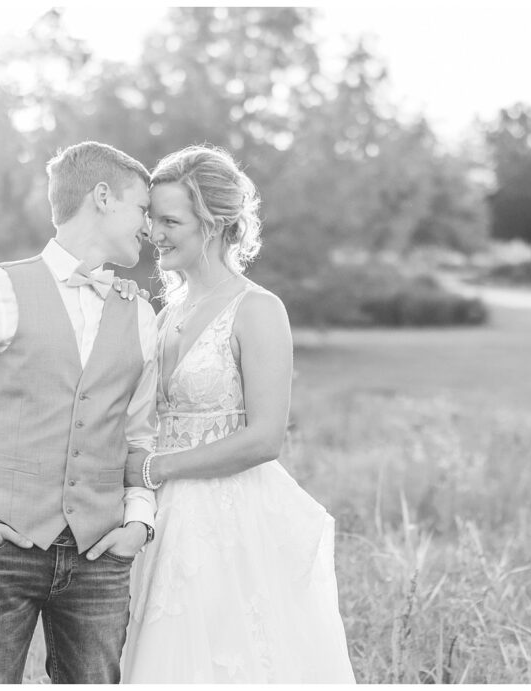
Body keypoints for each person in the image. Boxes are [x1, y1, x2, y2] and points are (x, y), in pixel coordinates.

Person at [0, 141, 160, 684]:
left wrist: (139, 520)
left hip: (101, 556)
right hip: (0, 549)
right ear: (102, 196)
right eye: (142, 207)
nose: (150, 224)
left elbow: (141, 436)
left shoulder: (140, 314)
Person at [120, 145, 356, 683]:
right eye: (151, 218)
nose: (153, 232)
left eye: (169, 220)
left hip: (229, 518)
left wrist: (157, 469)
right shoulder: (164, 313)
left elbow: (265, 437)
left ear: (214, 224)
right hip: (156, 516)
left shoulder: (258, 309)